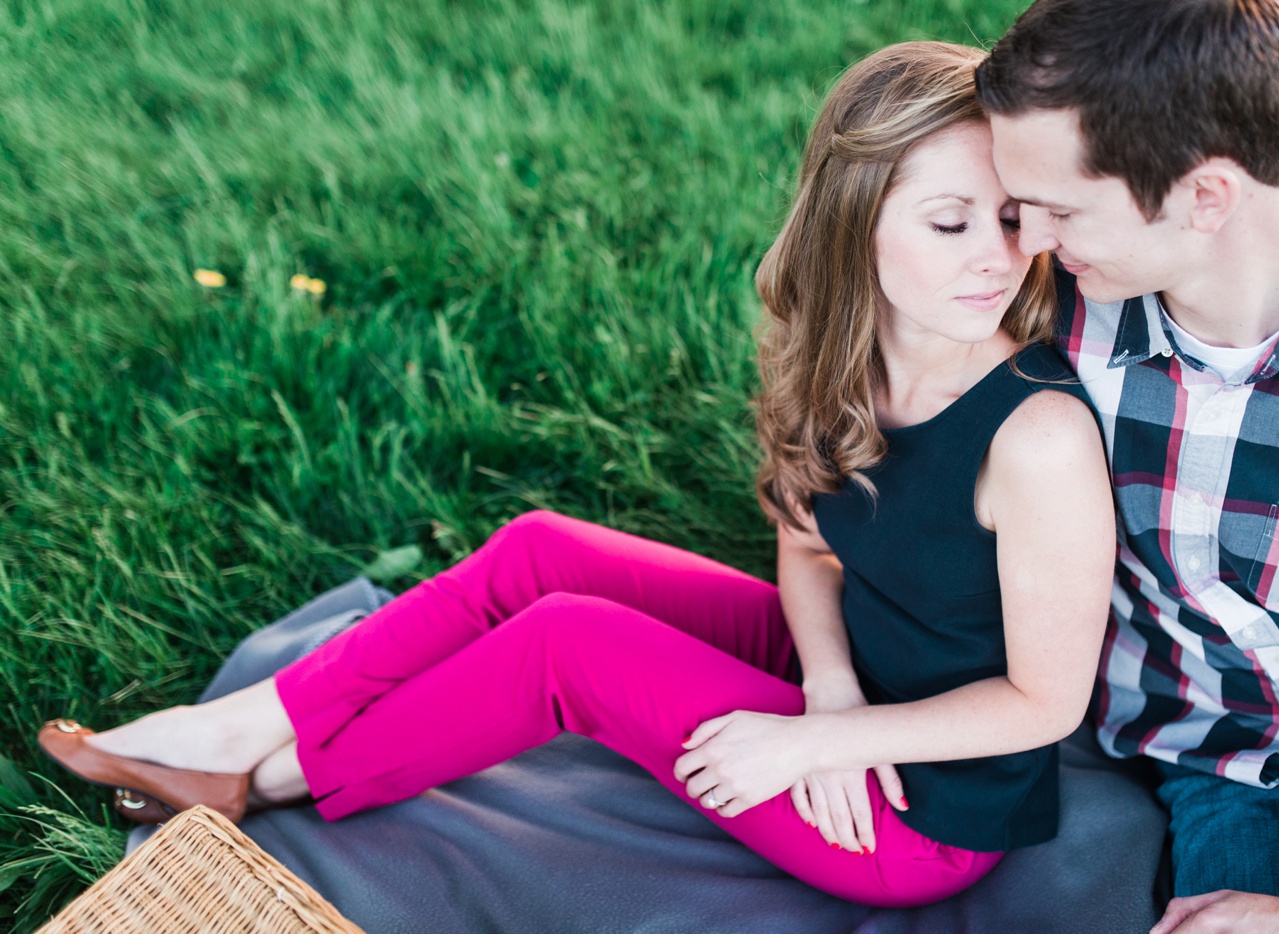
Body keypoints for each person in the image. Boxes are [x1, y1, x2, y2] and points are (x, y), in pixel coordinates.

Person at [38, 41, 1114, 909]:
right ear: (852, 225)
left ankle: (259, 780)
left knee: (569, 643)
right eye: (950, 220)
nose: (998, 251)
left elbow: (1043, 703)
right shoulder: (853, 360)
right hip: (849, 685)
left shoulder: (1034, 435)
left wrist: (823, 738)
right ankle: (242, 724)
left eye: (1014, 215)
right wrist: (823, 685)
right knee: (545, 548)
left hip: (914, 819)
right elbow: (803, 540)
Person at [975, 1, 1279, 932]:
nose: (1029, 238)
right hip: (1234, 758)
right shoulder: (1061, 306)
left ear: (1206, 196)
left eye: (1062, 207)